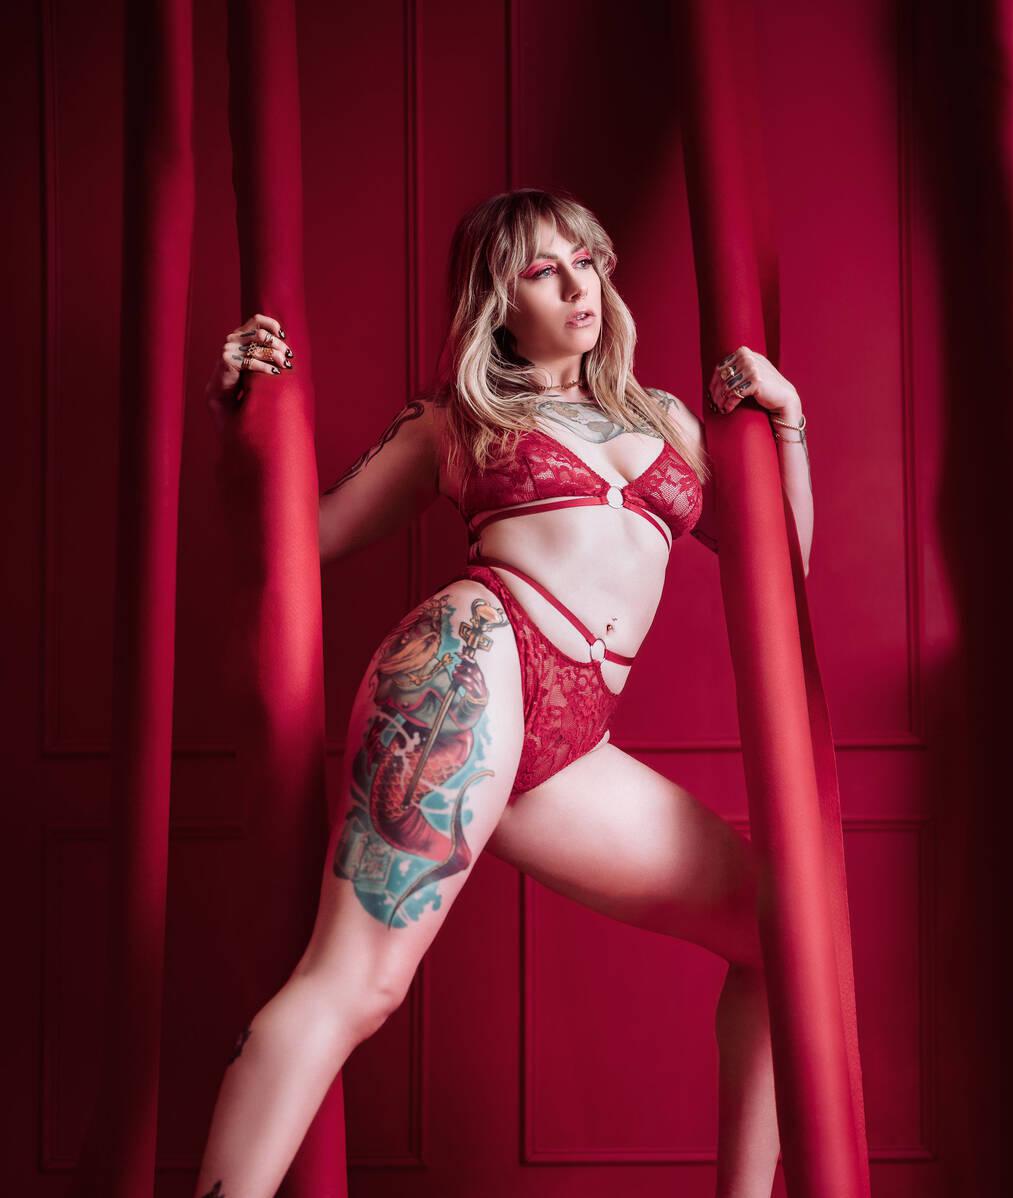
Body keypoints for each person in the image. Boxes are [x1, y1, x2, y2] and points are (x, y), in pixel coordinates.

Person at [195, 188, 813, 1198]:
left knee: (780, 930)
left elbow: (783, 569)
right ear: (498, 302)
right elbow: (294, 543)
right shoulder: (452, 421)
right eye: (542, 270)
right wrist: (238, 427)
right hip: (470, 666)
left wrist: (787, 424)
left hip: (577, 735)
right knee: (358, 983)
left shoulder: (662, 417)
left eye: (587, 261)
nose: (577, 286)